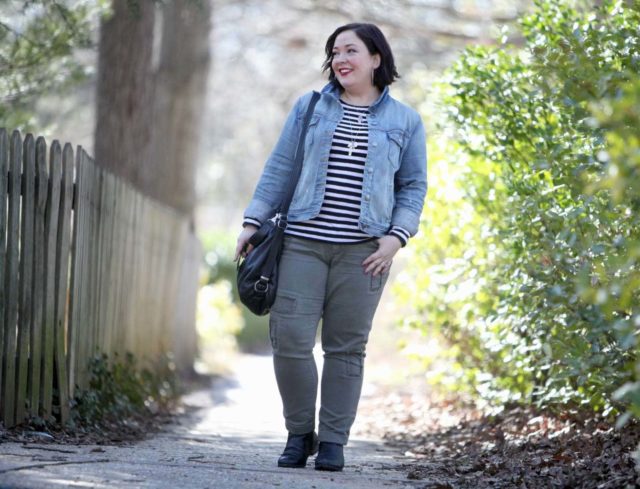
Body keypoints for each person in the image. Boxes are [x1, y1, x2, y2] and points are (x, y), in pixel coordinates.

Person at [235, 22, 427, 472]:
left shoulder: (405, 121)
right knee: (291, 342)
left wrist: (397, 236)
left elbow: (413, 185)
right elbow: (280, 167)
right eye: (335, 52)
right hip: (301, 243)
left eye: (350, 50)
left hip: (364, 253)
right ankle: (300, 433)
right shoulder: (310, 108)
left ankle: (335, 441)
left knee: (346, 348)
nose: (340, 59)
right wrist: (251, 220)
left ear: (376, 58)